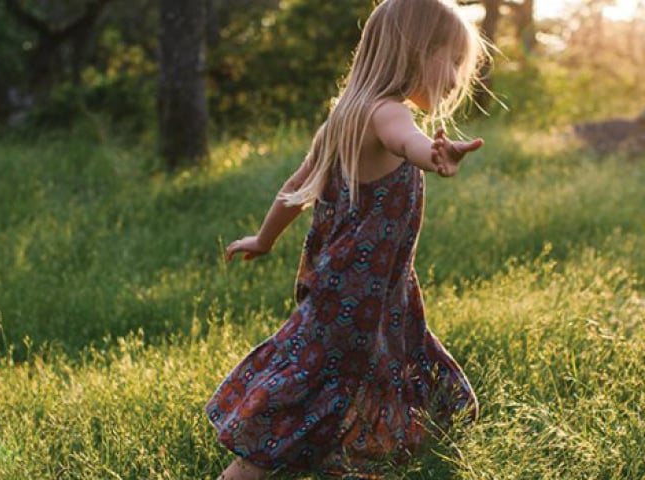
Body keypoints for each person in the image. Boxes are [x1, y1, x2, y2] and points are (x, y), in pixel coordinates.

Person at [206, 0, 487, 478]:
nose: (459, 76)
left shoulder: (343, 116)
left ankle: (350, 459)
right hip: (359, 299)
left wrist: (264, 238)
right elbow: (406, 141)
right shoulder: (387, 114)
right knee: (327, 389)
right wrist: (433, 154)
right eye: (453, 60)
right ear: (416, 53)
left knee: (331, 384)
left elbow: (296, 188)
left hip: (355, 291)